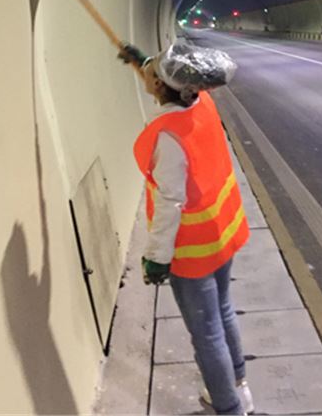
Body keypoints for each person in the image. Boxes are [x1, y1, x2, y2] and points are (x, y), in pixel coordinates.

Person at [118, 41, 254, 415]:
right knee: (224, 310)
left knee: (207, 333)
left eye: (152, 71)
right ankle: (239, 386)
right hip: (222, 232)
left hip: (193, 250)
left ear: (159, 85)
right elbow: (168, 80)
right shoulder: (201, 102)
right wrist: (140, 61)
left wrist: (157, 258)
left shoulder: (167, 136)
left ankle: (227, 408)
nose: (148, 71)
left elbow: (170, 202)